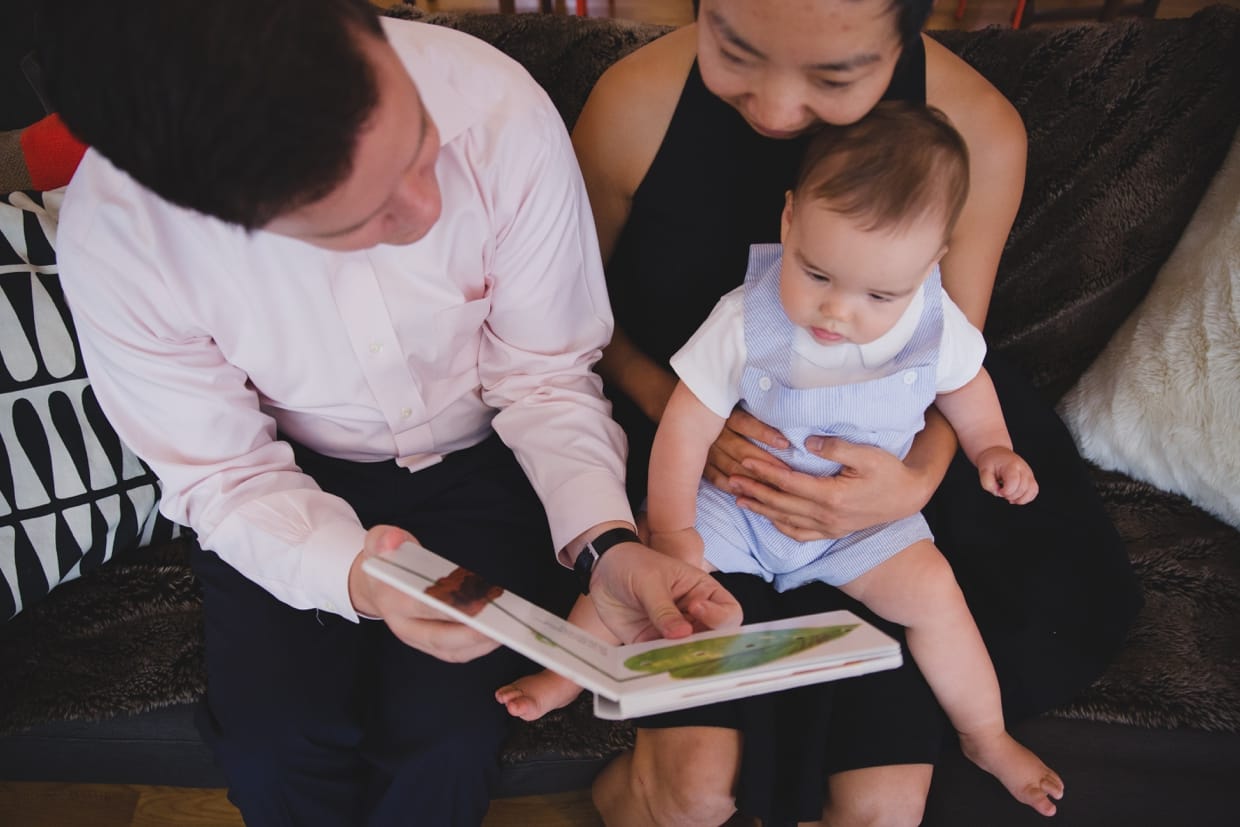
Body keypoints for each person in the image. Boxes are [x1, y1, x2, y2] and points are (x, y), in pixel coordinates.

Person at [36, 1, 741, 825]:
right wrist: (356, 576)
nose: (425, 210)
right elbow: (221, 473)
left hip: (492, 458)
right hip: (279, 476)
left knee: (445, 741)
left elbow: (545, 377)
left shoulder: (497, 106)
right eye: (362, 220)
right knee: (275, 746)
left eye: (420, 148)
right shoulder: (123, 235)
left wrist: (604, 546)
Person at [572, 1, 1142, 825]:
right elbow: (569, 323)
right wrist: (681, 411)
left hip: (889, 448)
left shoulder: (980, 132)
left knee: (925, 718)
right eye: (734, 51)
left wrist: (915, 480)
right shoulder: (634, 103)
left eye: (833, 77)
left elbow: (949, 359)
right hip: (690, 446)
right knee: (693, 784)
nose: (776, 110)